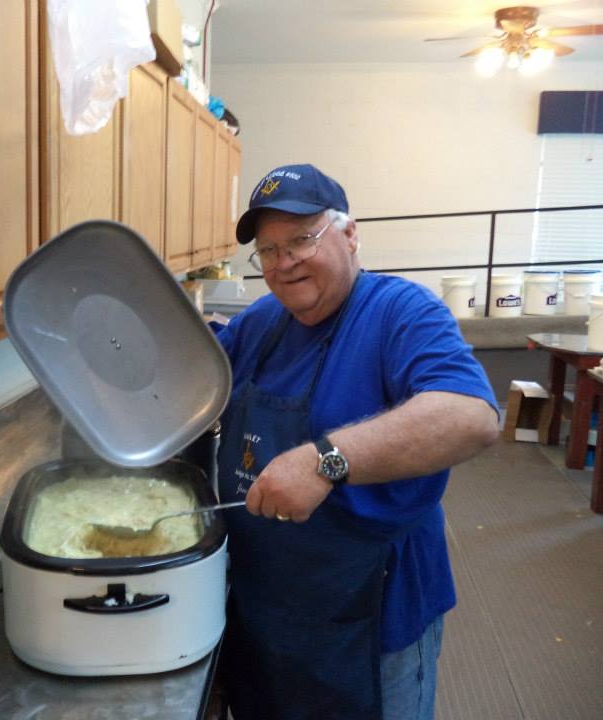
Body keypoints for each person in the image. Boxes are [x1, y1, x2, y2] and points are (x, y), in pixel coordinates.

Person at [212, 163, 500, 720]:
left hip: (371, 610)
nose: (284, 262)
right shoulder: (262, 321)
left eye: (302, 239)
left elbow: (472, 417)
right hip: (266, 600)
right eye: (268, 250)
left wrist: (325, 461)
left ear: (349, 235)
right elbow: (194, 385)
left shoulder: (401, 312)